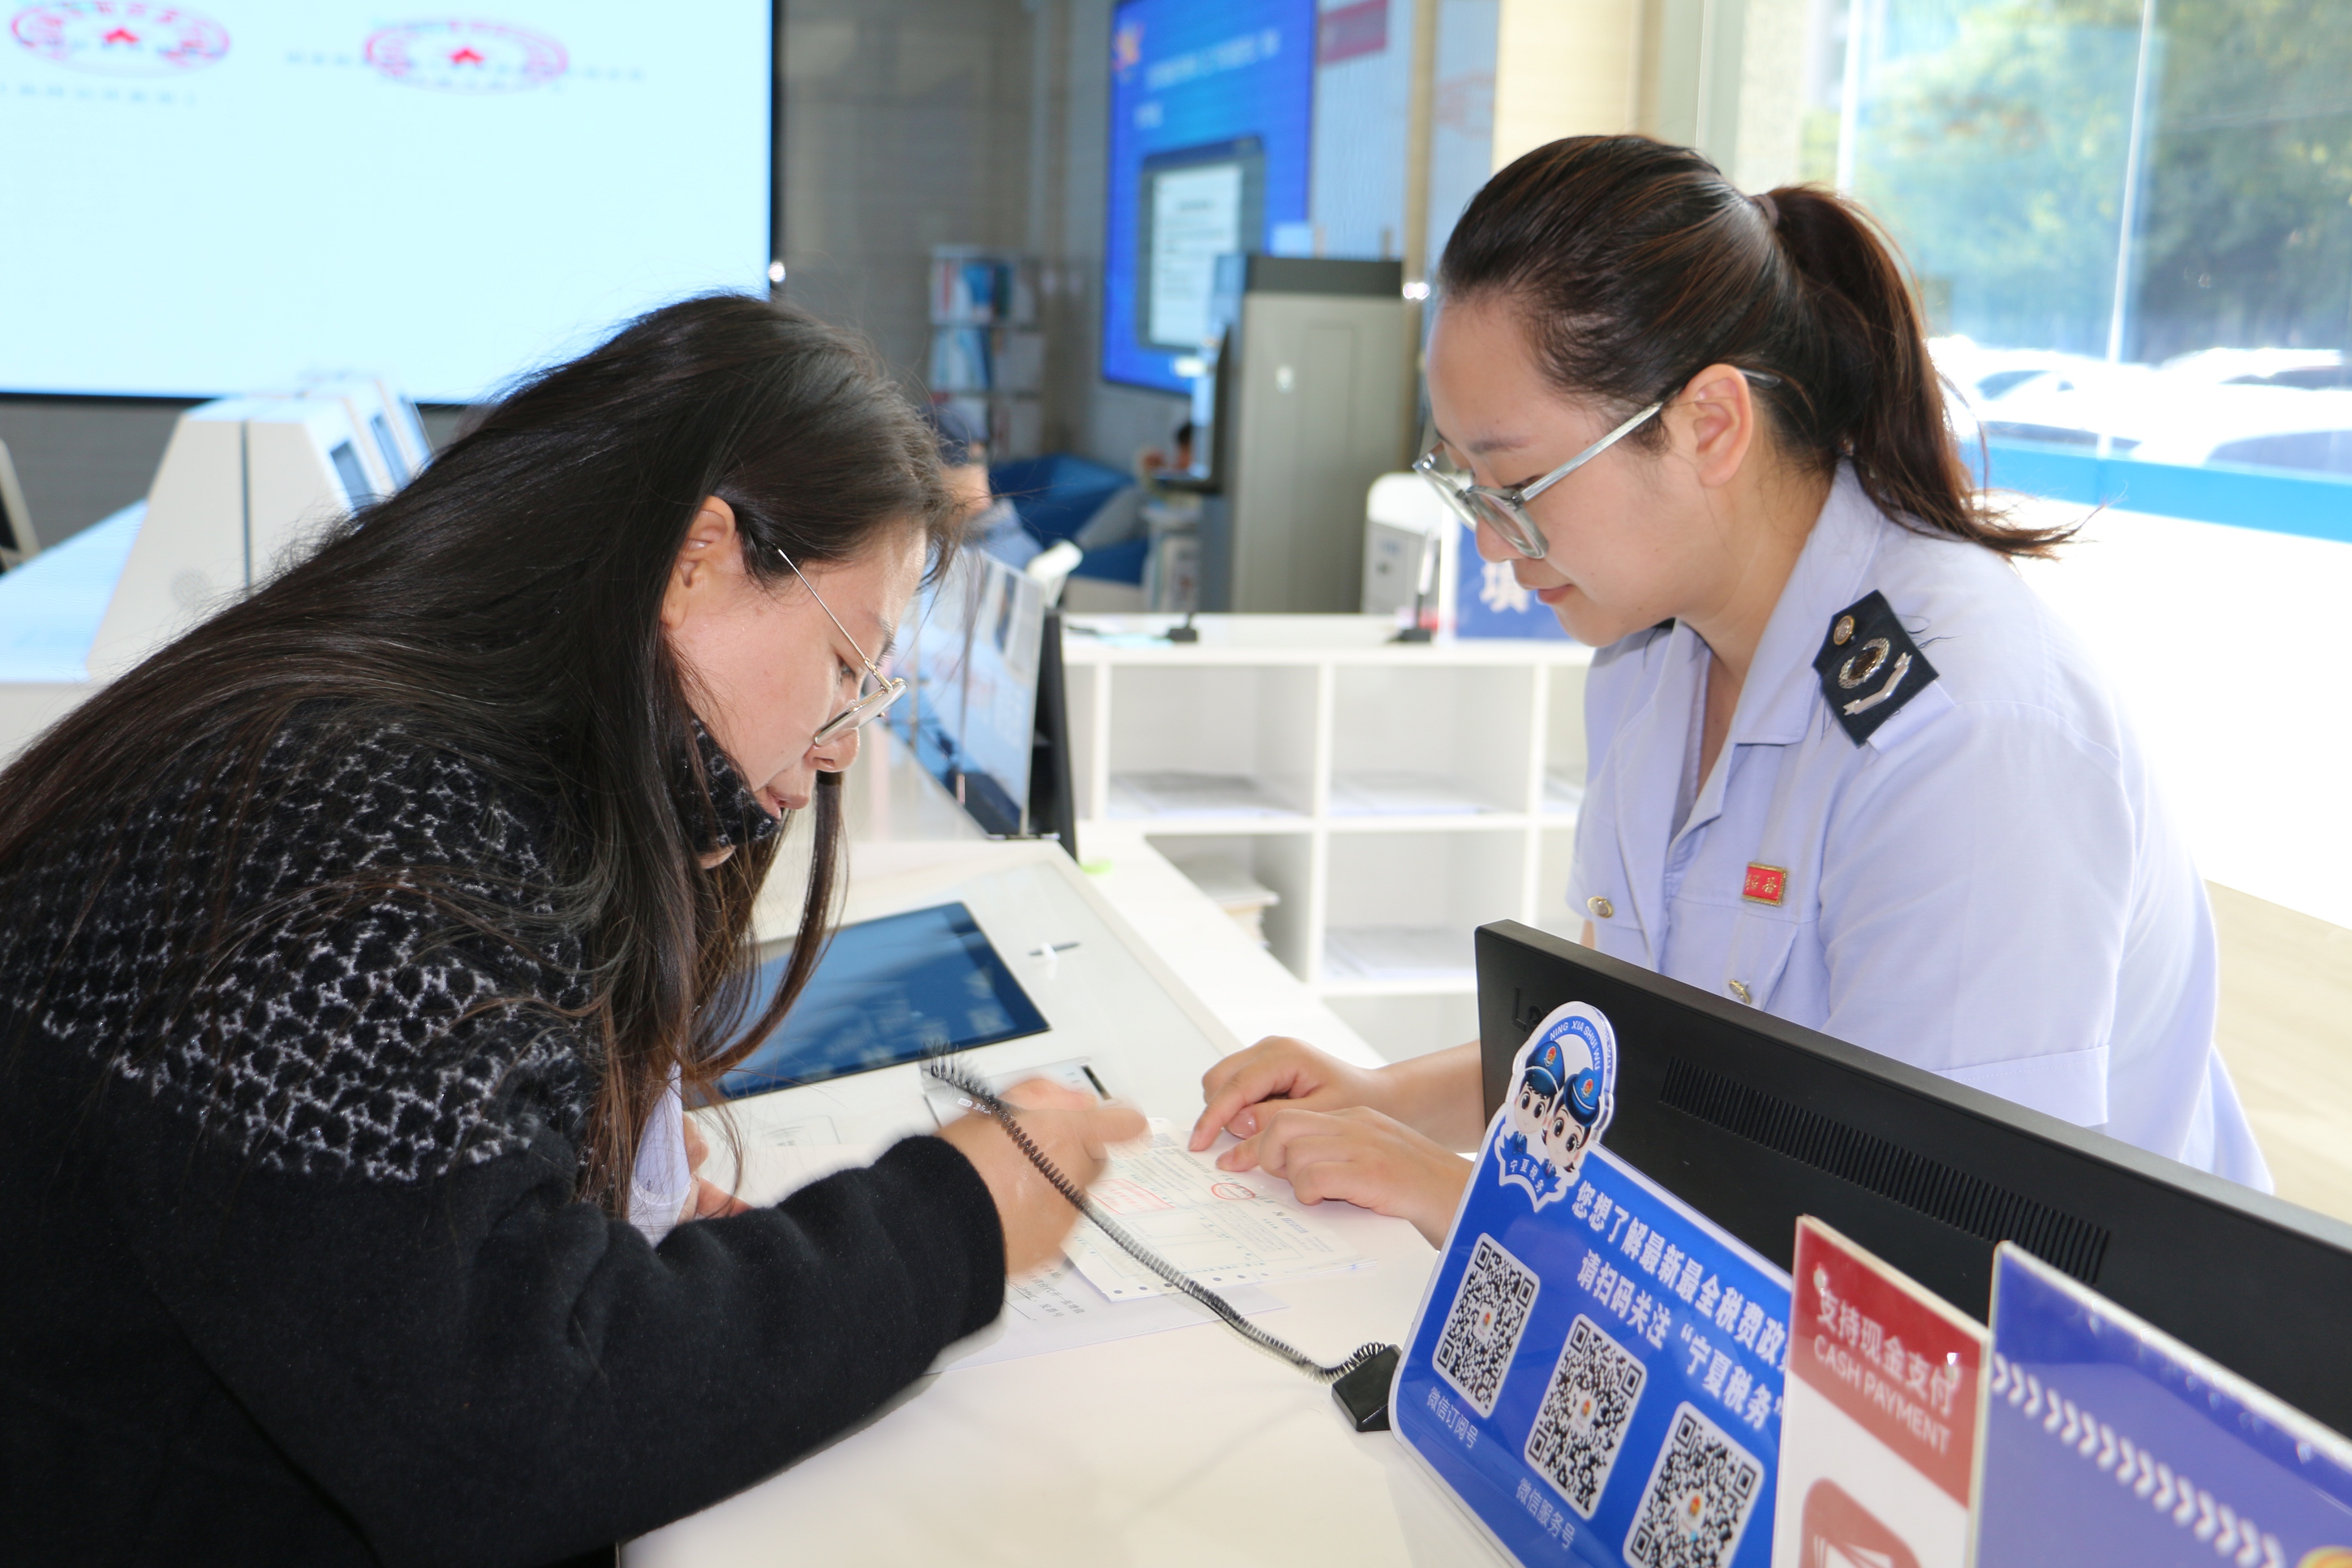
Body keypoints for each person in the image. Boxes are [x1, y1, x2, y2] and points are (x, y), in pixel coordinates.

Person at [0, 295, 1141, 1565]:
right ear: (697, 561)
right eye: (845, 667)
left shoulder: (387, 757)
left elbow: (404, 1282)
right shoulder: (360, 837)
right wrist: (955, 1219)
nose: (838, 747)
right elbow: (504, 1430)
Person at [1188, 135, 2270, 1244]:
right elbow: (1653, 1048)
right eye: (1464, 482)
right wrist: (1387, 1098)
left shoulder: (1966, 739)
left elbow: (1931, 1256)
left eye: (1519, 484)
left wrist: (1462, 1194)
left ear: (1710, 426)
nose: (1492, 546)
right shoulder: (1653, 655)